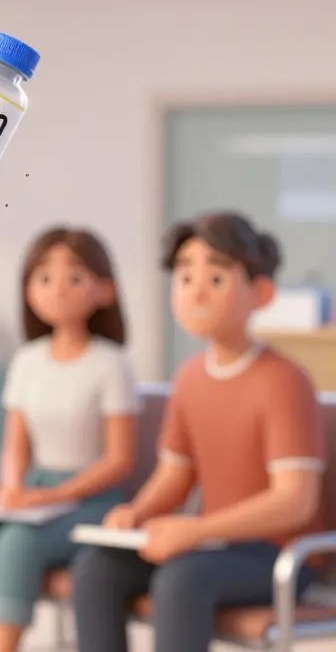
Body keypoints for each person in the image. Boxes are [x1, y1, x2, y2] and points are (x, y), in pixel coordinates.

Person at [72, 211, 325, 652]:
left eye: (216, 278)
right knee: (96, 568)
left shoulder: (285, 381)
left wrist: (196, 531)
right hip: (214, 543)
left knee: (182, 580)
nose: (197, 292)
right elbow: (175, 473)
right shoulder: (189, 378)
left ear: (260, 292)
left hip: (277, 555)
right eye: (185, 277)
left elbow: (294, 502)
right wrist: (138, 512)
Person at [0, 227, 138, 652]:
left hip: (93, 501)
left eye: (74, 278)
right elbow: (16, 441)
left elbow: (119, 460)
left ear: (104, 290)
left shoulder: (111, 365)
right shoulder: (27, 361)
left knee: (18, 543)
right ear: (28, 290)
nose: (58, 290)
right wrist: (13, 486)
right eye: (44, 279)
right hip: (36, 492)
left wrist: (57, 496)